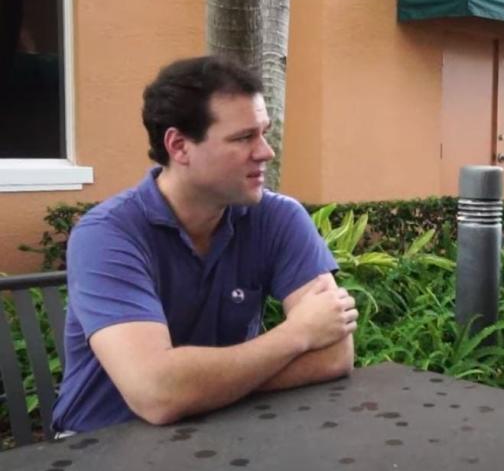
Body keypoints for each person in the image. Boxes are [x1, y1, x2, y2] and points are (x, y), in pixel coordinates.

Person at [52, 56, 357, 434]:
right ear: (179, 146)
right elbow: (157, 394)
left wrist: (198, 388)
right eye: (244, 137)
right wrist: (298, 334)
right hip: (98, 447)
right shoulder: (108, 235)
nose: (265, 151)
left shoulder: (277, 217)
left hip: (223, 432)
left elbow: (333, 355)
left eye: (264, 132)